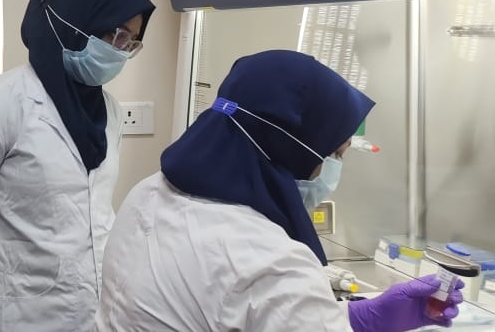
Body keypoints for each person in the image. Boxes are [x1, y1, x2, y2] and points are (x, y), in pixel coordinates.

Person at [97, 50, 465, 332]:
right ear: (293, 152)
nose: (332, 170)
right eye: (335, 154)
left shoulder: (148, 193)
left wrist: (356, 318)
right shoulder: (271, 263)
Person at [0, 0, 156, 332]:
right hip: (20, 319)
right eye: (118, 36)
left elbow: (94, 217)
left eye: (132, 43)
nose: (121, 52)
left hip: (98, 317)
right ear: (76, 23)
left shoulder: (110, 113)